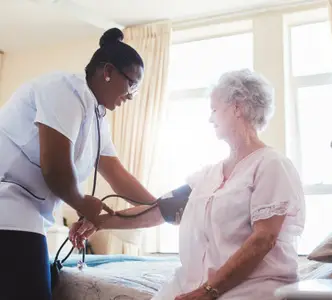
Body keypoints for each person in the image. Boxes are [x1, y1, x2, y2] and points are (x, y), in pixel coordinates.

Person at [70, 69, 306, 300]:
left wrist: (207, 291)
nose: (210, 118)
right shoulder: (209, 175)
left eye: (214, 109)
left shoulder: (271, 164)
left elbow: (263, 239)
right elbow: (160, 210)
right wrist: (99, 222)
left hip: (251, 287)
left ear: (237, 107)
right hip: (199, 284)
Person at [0, 28, 158, 300]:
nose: (132, 95)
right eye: (132, 84)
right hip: (8, 208)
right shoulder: (64, 89)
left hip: (27, 214)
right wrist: (83, 204)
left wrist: (160, 207)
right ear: (108, 71)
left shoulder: (97, 119)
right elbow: (55, 169)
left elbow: (119, 176)